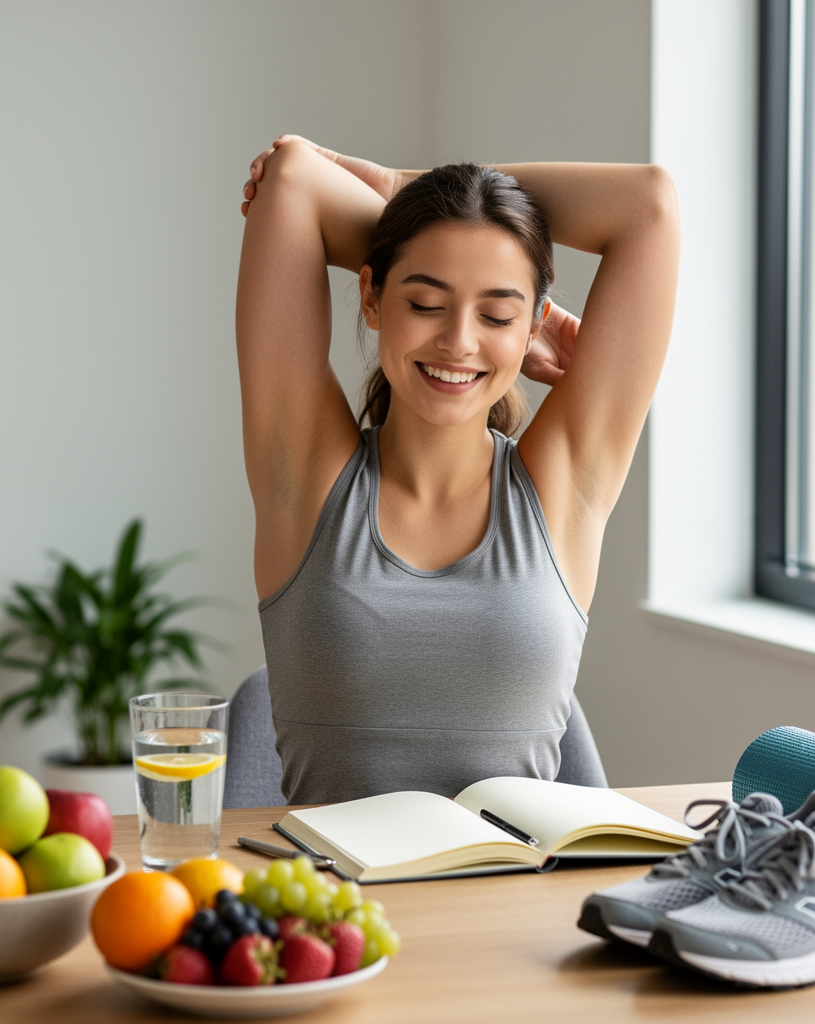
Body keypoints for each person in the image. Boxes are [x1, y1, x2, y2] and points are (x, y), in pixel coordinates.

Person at [237, 136, 679, 804]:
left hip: (512, 906)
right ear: (372, 298)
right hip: (344, 906)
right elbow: (294, 177)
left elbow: (650, 206)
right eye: (424, 303)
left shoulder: (564, 484)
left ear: (532, 323)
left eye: (496, 313)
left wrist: (399, 184)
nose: (459, 341)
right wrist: (425, 210)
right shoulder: (305, 472)